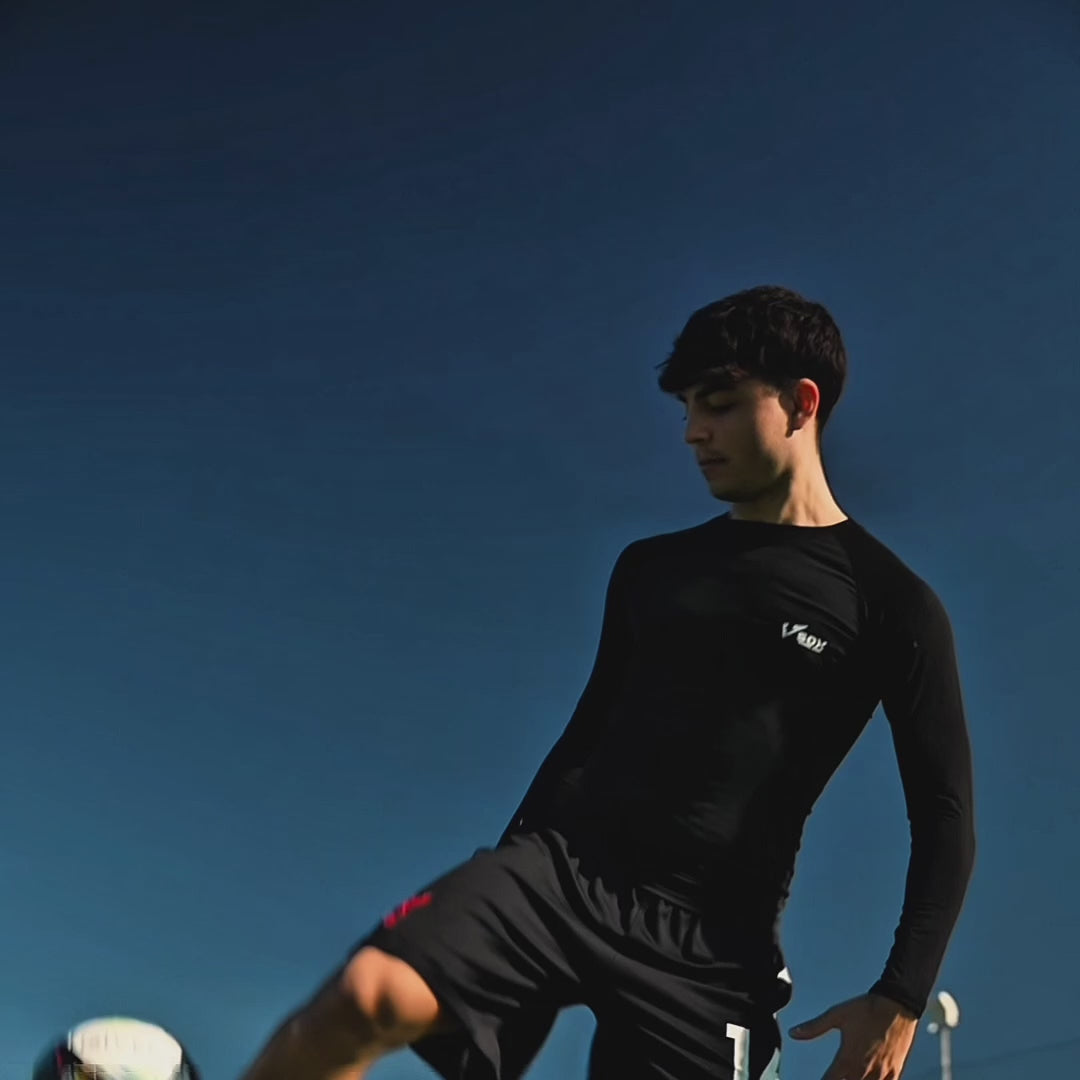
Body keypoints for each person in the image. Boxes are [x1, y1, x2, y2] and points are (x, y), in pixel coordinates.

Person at [236, 285, 976, 1080]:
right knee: (367, 995)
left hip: (713, 946)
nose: (693, 432)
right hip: (558, 875)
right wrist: (508, 890)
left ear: (802, 403)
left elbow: (944, 815)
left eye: (719, 404)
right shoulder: (651, 569)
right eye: (686, 410)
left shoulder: (892, 605)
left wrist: (901, 997)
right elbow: (583, 742)